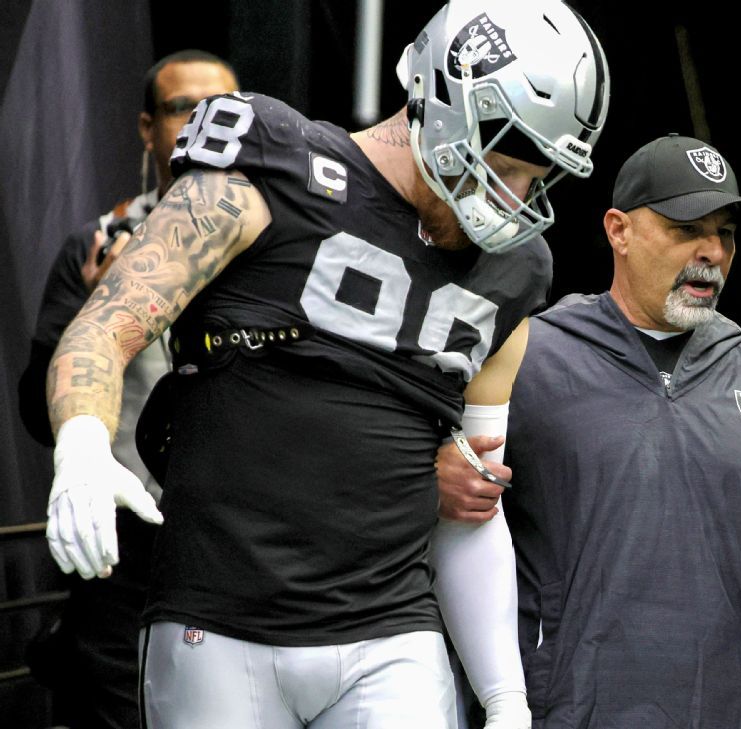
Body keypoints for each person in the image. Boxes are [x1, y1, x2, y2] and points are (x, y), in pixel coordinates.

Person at [41, 1, 609, 727]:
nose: (514, 198)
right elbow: (108, 322)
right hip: (217, 618)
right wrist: (83, 442)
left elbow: (474, 500)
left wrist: (504, 696)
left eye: (535, 176)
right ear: (434, 102)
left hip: (391, 631)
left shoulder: (513, 272)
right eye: (499, 163)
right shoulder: (276, 164)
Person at [436, 133, 741, 729]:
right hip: (560, 714)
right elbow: (442, 523)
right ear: (618, 230)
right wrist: (433, 477)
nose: (712, 251)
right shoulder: (527, 356)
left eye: (725, 233)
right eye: (685, 229)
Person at [17, 49, 238, 729]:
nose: (203, 123)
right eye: (181, 109)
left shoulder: (285, 243)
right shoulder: (100, 241)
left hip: (245, 533)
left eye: (222, 109)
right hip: (128, 529)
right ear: (148, 129)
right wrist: (102, 308)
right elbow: (35, 409)